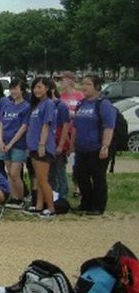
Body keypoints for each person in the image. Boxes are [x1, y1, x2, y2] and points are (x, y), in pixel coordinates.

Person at [72, 74, 116, 215]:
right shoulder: (82, 103)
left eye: (88, 84)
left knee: (97, 177)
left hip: (97, 147)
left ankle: (98, 206)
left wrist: (105, 146)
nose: (84, 87)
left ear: (97, 87)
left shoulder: (103, 104)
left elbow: (109, 126)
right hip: (81, 147)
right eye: (83, 84)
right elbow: (76, 126)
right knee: (81, 176)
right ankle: (86, 203)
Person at [24, 77, 57, 219]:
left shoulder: (48, 104)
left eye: (40, 87)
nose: (37, 90)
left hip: (42, 147)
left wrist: (42, 144)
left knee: (43, 180)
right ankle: (39, 206)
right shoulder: (37, 105)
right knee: (38, 178)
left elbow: (46, 125)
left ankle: (51, 208)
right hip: (33, 146)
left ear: (47, 88)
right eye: (35, 87)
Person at [0, 78, 30, 209]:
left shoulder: (26, 107)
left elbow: (23, 127)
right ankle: (13, 196)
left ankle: (20, 198)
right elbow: (1, 123)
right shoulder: (6, 105)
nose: (13, 91)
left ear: (22, 90)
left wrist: (11, 143)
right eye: (12, 89)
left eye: (16, 89)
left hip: (18, 144)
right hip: (4, 143)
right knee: (9, 172)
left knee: (16, 173)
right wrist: (0, 141)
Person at [60, 71, 85, 194]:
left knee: (76, 162)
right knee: (63, 160)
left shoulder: (79, 96)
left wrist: (72, 114)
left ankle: (78, 187)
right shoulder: (61, 96)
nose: (61, 82)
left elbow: (82, 112)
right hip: (65, 132)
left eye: (63, 79)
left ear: (70, 80)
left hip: (76, 131)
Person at [49, 81, 71, 200]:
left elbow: (65, 126)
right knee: (50, 172)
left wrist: (61, 145)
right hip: (49, 144)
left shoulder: (61, 106)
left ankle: (63, 195)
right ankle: (53, 195)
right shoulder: (45, 105)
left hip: (58, 143)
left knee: (59, 170)